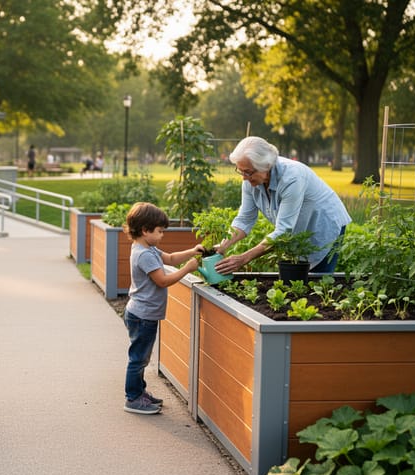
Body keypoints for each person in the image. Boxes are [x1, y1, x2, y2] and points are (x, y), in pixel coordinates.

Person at [214, 136, 351, 275]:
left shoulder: (292, 178)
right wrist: (223, 245)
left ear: (266, 166)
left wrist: (244, 258)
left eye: (248, 172)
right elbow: (244, 219)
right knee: (295, 280)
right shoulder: (250, 181)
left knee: (318, 282)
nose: (243, 177)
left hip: (324, 225)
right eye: (240, 170)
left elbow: (283, 231)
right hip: (298, 230)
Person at [122, 202, 202, 415]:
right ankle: (133, 398)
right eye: (160, 231)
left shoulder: (147, 247)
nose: (162, 235)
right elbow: (163, 281)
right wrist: (188, 269)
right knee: (138, 359)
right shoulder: (145, 255)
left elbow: (170, 258)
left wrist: (192, 252)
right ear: (145, 230)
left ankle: (139, 392)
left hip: (141, 313)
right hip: (143, 316)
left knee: (141, 357)